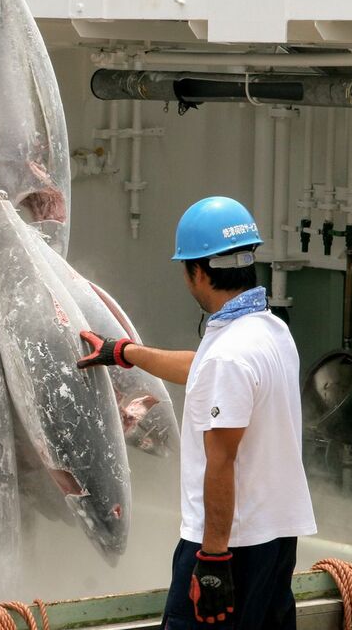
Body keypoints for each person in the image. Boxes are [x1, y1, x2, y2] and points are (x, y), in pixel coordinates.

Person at [78, 196, 317, 629]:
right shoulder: (269, 330)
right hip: (276, 538)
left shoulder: (229, 356)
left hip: (232, 547)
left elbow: (220, 462)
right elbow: (203, 366)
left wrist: (212, 561)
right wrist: (124, 352)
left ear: (199, 272)